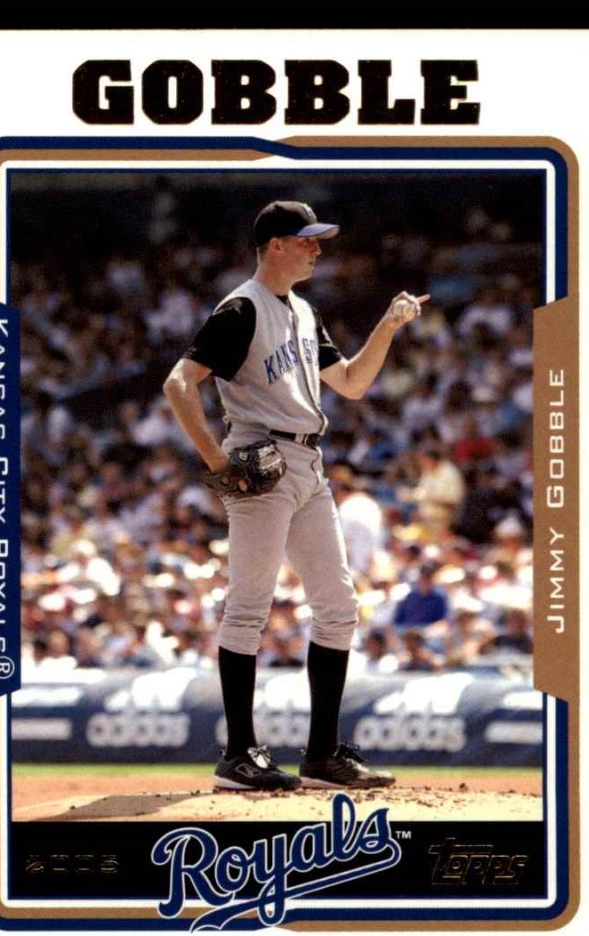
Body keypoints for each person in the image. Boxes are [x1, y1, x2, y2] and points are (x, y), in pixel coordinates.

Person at [163, 200, 428, 791]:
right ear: (275, 245)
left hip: (309, 461)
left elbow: (352, 383)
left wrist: (387, 327)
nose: (317, 248)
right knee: (249, 608)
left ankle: (323, 755)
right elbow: (179, 382)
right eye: (306, 239)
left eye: (317, 239)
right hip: (260, 458)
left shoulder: (304, 311)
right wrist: (216, 460)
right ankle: (239, 754)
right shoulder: (242, 308)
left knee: (338, 607)